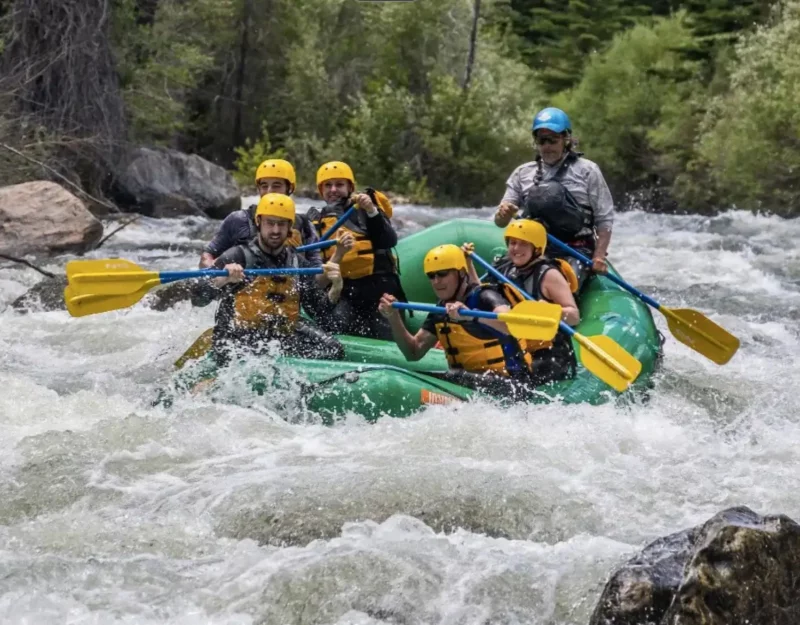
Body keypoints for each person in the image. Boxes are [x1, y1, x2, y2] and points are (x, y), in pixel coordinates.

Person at [378, 244, 546, 400]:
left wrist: (471, 316)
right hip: (467, 381)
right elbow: (413, 352)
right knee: (411, 377)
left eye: (443, 274)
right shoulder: (440, 310)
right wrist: (393, 317)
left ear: (461, 273)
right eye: (431, 276)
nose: (436, 281)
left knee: (456, 376)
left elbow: (510, 325)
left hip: (512, 384)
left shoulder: (484, 296)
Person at [198, 193, 346, 366]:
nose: (275, 230)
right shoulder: (237, 256)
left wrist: (336, 288)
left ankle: (298, 376)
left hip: (281, 336)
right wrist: (222, 280)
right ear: (259, 223)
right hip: (239, 337)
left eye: (281, 224)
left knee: (334, 349)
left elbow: (319, 312)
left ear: (290, 227)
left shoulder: (296, 262)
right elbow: (198, 297)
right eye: (270, 223)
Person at [493, 107, 614, 288]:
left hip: (575, 249)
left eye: (552, 140)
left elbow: (604, 219)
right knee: (497, 284)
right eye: (542, 141)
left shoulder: (588, 171)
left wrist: (598, 255)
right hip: (532, 249)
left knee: (558, 287)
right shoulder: (522, 173)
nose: (547, 146)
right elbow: (500, 222)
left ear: (566, 139)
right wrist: (503, 213)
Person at [464, 220, 579, 385]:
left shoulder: (549, 274)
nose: (516, 249)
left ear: (537, 248)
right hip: (517, 349)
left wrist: (553, 310)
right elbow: (482, 293)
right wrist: (468, 263)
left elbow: (574, 316)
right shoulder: (506, 268)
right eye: (513, 243)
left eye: (523, 244)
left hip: (549, 354)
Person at [308, 160, 405, 340]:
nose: (333, 190)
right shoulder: (315, 220)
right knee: (334, 325)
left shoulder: (365, 208)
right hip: (346, 292)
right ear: (321, 190)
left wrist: (371, 210)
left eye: (339, 185)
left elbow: (388, 240)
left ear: (350, 187)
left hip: (379, 290)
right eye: (328, 185)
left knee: (385, 333)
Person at [199, 159, 321, 268]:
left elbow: (316, 271)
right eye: (264, 186)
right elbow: (207, 256)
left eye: (276, 185)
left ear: (289, 188)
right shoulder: (238, 219)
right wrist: (214, 270)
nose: (269, 191)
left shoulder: (305, 225)